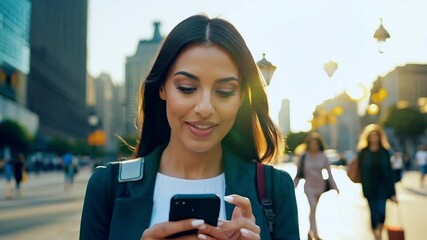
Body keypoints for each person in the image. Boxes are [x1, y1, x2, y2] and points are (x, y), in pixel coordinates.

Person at [80, 15, 299, 240]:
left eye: (224, 92)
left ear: (242, 96)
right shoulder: (107, 187)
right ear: (162, 88)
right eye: (186, 88)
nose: (204, 108)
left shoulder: (275, 188)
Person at [294, 132, 339, 240]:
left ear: (319, 144)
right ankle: (315, 234)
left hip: (320, 187)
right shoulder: (304, 156)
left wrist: (336, 187)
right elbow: (299, 174)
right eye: (312, 143)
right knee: (313, 207)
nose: (314, 145)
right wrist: (292, 187)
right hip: (308, 187)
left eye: (316, 143)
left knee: (313, 209)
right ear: (309, 144)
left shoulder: (323, 157)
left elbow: (330, 174)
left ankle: (310, 232)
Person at [356, 124, 397, 240]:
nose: (374, 138)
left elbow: (390, 173)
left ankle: (379, 230)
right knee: (373, 213)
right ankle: (376, 235)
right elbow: (359, 170)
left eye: (376, 136)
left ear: (379, 137)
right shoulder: (363, 152)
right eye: (371, 136)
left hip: (383, 188)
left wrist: (393, 193)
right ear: (368, 137)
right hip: (369, 187)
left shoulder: (385, 152)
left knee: (382, 213)